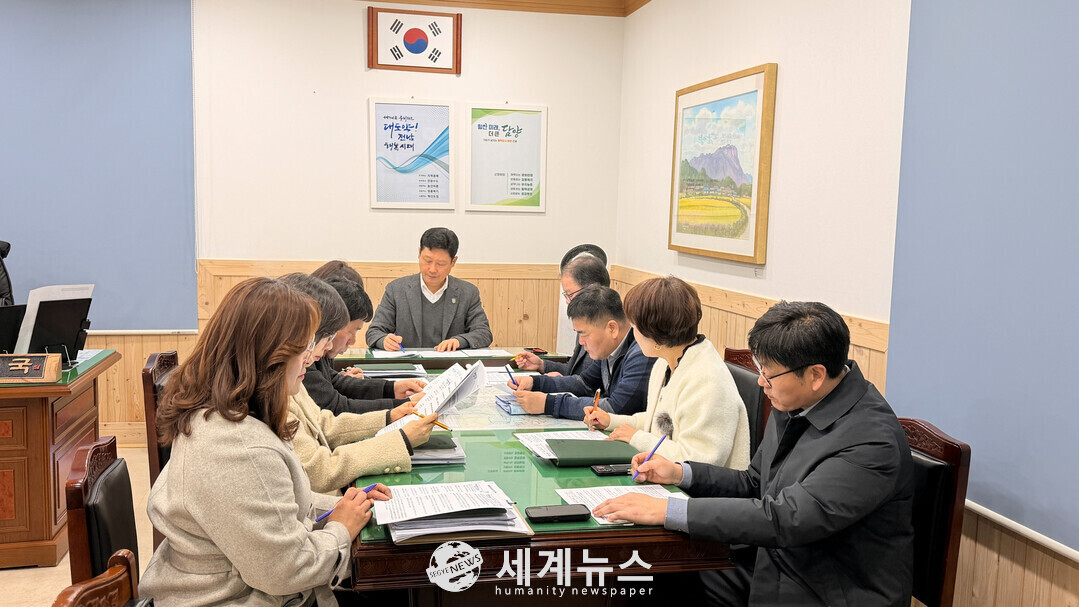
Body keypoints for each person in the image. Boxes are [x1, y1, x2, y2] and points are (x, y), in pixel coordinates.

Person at [593, 301, 914, 606]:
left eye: (769, 374)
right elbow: (755, 482)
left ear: (815, 375)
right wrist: (681, 472)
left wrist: (668, 510)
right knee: (646, 575)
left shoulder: (871, 440)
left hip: (825, 589)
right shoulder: (798, 400)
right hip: (774, 560)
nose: (761, 382)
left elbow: (786, 518)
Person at [140, 277, 391, 607]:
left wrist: (344, 507)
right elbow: (287, 571)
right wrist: (341, 529)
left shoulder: (228, 411)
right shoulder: (239, 448)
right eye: (303, 346)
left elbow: (275, 505)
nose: (310, 358)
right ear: (269, 355)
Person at [280, 273, 437, 496]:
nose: (325, 347)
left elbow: (324, 423)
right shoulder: (280, 385)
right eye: (320, 338)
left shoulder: (289, 376)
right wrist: (400, 439)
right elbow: (319, 471)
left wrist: (390, 416)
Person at [584, 277, 751, 469]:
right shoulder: (666, 362)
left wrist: (636, 437)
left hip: (701, 485)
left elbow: (697, 462)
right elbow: (659, 422)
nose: (633, 333)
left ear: (654, 335)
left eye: (635, 327)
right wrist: (611, 420)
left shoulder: (707, 380)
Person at [511, 285, 654, 419]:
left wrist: (549, 404)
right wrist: (535, 383)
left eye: (584, 333)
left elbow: (615, 408)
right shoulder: (608, 348)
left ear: (612, 328)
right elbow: (585, 384)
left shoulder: (642, 353)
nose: (580, 341)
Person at [300, 276, 426, 415]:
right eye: (352, 331)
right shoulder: (305, 357)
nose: (353, 341)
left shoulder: (316, 352)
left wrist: (391, 389)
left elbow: (334, 382)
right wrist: (402, 406)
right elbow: (335, 408)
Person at [366, 227, 492, 351]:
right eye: (427, 261)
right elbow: (374, 332)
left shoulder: (468, 293)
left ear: (453, 262)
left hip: (452, 363)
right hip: (409, 363)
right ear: (419, 253)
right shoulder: (396, 290)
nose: (432, 269)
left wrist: (459, 341)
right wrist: (384, 340)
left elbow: (483, 333)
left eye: (441, 264)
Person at [515, 253, 609, 377]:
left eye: (570, 294)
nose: (567, 301)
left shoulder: (606, 329)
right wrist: (542, 365)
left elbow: (588, 384)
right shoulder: (584, 321)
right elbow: (573, 371)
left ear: (592, 290)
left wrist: (555, 382)